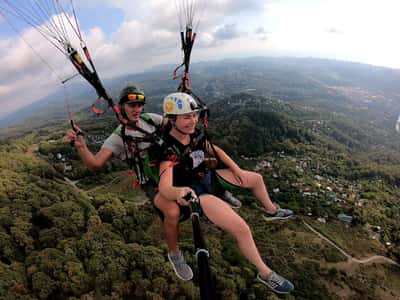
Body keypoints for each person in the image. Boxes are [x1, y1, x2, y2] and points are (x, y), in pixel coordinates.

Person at [155, 92, 294, 294]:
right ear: (172, 120)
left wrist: (237, 169)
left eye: (194, 115)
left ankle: (271, 211)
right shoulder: (167, 149)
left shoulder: (193, 135)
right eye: (186, 117)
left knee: (255, 179)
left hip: (208, 177)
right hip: (198, 192)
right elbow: (165, 187)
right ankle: (265, 273)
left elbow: (216, 151)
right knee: (242, 228)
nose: (193, 120)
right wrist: (179, 192)